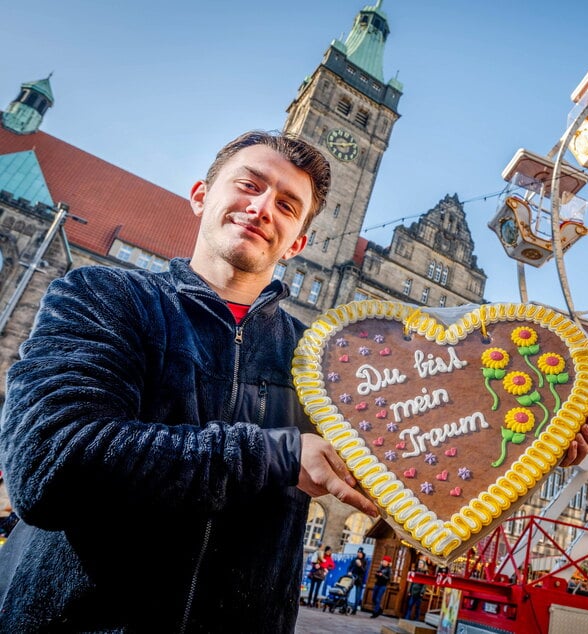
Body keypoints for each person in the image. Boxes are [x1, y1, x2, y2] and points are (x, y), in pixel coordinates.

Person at [0, 130, 379, 633]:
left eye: (287, 206)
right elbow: (47, 466)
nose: (263, 208)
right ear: (201, 195)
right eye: (249, 184)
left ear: (298, 244)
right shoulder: (102, 294)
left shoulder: (320, 362)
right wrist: (277, 456)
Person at [347, 547, 367, 613]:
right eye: (358, 553)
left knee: (357, 594)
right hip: (352, 577)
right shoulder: (354, 559)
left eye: (360, 553)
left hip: (359, 579)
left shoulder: (364, 561)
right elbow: (350, 567)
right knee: (347, 591)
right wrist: (349, 572)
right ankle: (345, 605)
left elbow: (364, 571)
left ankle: (355, 609)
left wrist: (360, 565)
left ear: (362, 554)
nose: (359, 554)